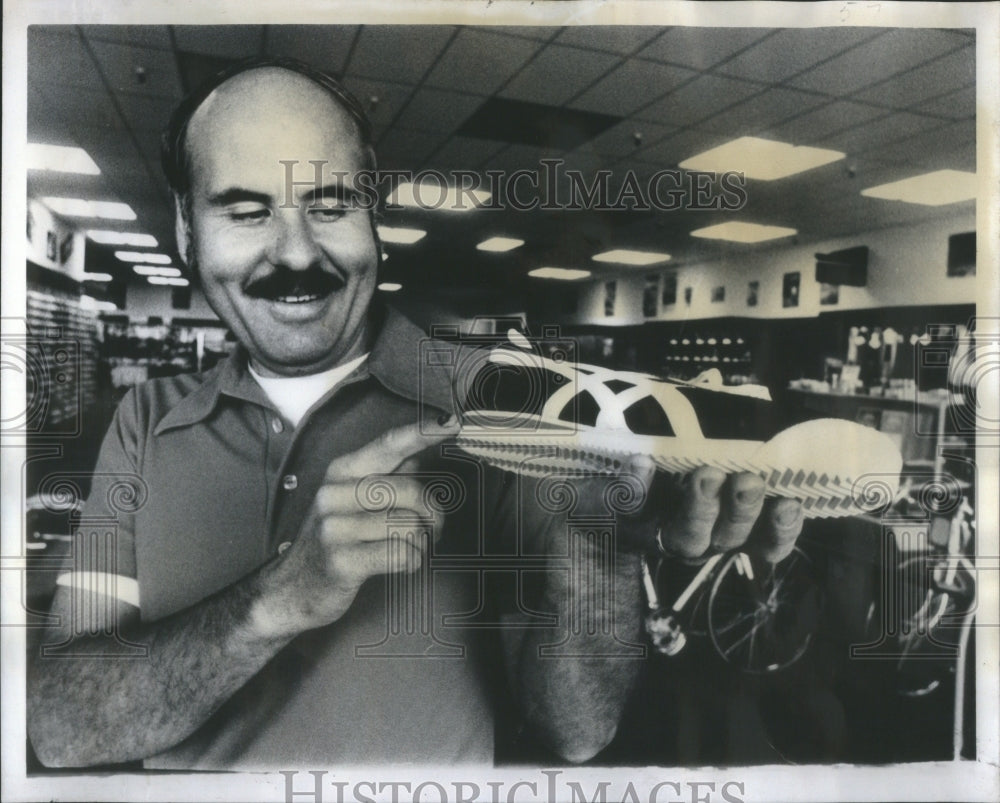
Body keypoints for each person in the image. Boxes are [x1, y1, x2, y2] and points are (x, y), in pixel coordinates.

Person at [27, 57, 803, 770]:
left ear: (376, 219)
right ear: (189, 232)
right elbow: (60, 727)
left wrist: (600, 553)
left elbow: (577, 728)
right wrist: (281, 596)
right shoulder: (144, 419)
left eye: (330, 204)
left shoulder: (510, 402)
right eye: (247, 210)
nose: (296, 254)